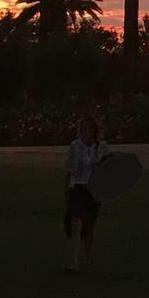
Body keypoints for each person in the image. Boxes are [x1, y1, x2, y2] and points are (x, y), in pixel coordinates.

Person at [64, 116, 108, 274]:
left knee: (88, 226)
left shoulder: (101, 147)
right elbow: (69, 169)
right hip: (77, 188)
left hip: (93, 190)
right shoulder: (75, 146)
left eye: (90, 128)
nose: (87, 131)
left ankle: (86, 258)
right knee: (76, 223)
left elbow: (105, 170)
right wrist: (66, 189)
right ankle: (73, 261)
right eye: (84, 128)